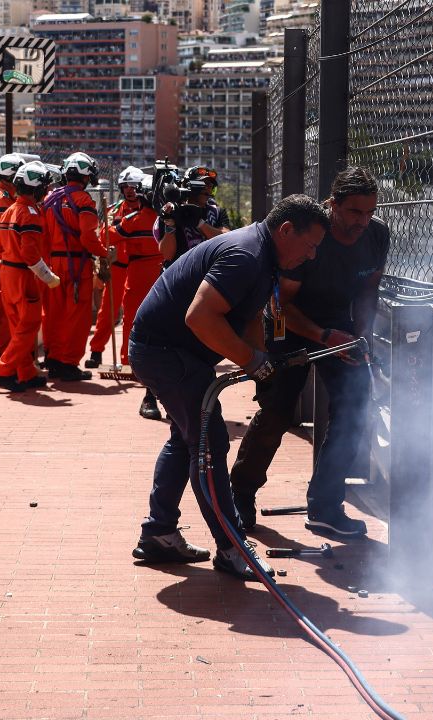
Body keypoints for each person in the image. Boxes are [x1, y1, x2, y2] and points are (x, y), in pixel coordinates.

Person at [128, 194, 330, 580]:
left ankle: (159, 534)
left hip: (166, 350)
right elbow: (200, 316)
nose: (313, 256)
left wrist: (260, 358)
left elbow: (250, 313)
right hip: (166, 352)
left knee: (186, 439)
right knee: (209, 443)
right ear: (287, 231)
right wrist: (252, 360)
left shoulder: (263, 255)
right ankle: (233, 549)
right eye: (310, 245)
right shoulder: (247, 256)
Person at [230, 167, 389, 538]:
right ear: (333, 205)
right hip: (291, 322)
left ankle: (325, 505)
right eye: (354, 212)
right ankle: (240, 493)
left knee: (355, 407)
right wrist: (320, 334)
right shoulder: (312, 234)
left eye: (369, 212)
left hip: (338, 326)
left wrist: (359, 337)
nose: (363, 221)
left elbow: (368, 293)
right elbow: (281, 304)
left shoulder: (376, 234)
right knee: (278, 409)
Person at [86, 166, 165, 420]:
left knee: (132, 315)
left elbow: (109, 235)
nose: (130, 192)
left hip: (135, 266)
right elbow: (104, 235)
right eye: (126, 188)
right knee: (108, 311)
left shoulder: (141, 217)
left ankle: (128, 358)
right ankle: (97, 350)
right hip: (120, 266)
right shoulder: (114, 212)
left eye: (134, 188)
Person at [0, 160, 59, 392]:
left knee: (17, 325)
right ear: (37, 188)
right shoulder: (29, 214)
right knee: (28, 326)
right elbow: (29, 253)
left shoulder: (10, 209)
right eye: (45, 187)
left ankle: (26, 372)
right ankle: (3, 370)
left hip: (7, 272)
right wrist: (47, 276)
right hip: (23, 275)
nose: (48, 191)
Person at [40, 151, 106, 382]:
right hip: (77, 264)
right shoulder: (84, 201)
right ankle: (67, 363)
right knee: (76, 316)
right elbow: (88, 238)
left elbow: (43, 236)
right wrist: (104, 254)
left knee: (53, 314)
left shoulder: (49, 199)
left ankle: (53, 357)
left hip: (52, 264)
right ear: (87, 177)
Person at [0, 153, 26, 370]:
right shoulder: (2, 198)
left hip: (1, 255)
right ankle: (2, 356)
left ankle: (5, 355)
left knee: (7, 307)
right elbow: (10, 232)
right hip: (5, 256)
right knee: (8, 308)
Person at [156, 165, 232, 268]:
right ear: (188, 185)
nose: (208, 189)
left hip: (208, 275)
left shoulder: (216, 212)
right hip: (180, 275)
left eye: (210, 185)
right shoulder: (172, 210)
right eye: (203, 184)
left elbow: (226, 240)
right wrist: (170, 226)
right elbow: (167, 255)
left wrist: (200, 223)